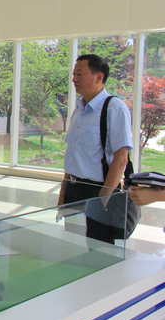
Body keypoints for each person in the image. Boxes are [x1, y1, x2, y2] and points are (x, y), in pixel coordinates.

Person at [57, 54, 133, 244]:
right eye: (74, 74)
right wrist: (63, 195)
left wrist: (102, 201)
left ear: (99, 77)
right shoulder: (79, 110)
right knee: (72, 245)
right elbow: (72, 156)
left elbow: (121, 159)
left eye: (79, 74)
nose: (74, 79)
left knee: (97, 249)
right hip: (73, 189)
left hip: (98, 191)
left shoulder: (114, 108)